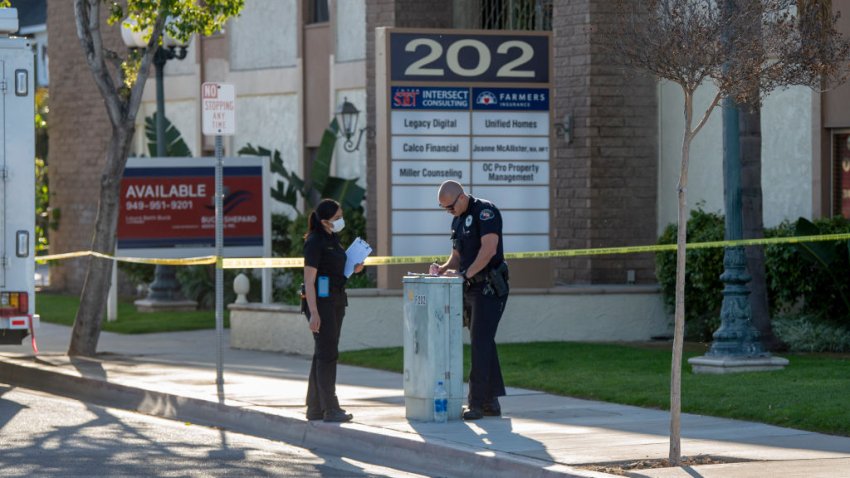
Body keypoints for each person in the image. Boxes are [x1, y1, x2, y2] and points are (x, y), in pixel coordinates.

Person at [429, 180, 510, 420]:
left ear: (461, 197)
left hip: (489, 287)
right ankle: (491, 402)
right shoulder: (457, 219)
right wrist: (443, 269)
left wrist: (466, 274)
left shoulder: (486, 212)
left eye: (450, 207)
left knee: (480, 343)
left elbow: (489, 250)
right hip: (470, 287)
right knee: (482, 341)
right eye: (444, 209)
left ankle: (476, 404)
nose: (449, 212)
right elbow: (457, 256)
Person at [303, 198, 363, 422]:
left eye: (341, 216)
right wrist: (314, 312)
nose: (341, 221)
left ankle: (315, 407)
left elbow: (335, 270)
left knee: (322, 353)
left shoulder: (332, 238)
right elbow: (309, 281)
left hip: (336, 300)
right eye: (337, 218)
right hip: (321, 303)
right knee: (328, 355)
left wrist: (353, 268)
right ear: (325, 220)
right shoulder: (315, 241)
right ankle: (331, 408)